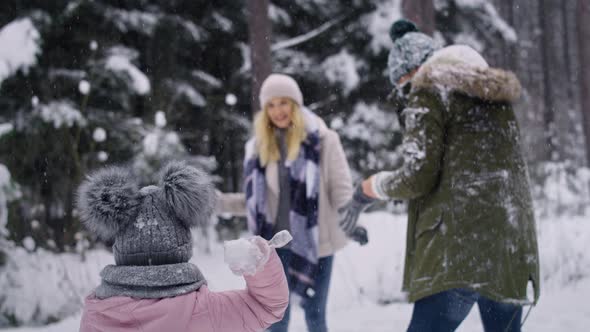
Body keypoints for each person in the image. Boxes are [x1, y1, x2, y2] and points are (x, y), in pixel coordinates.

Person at [338, 20, 540, 332]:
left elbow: (418, 176)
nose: (404, 94)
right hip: (510, 240)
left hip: (458, 245)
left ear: (412, 72)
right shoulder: (491, 96)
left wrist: (369, 187)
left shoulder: (428, 89)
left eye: (403, 84)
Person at [218, 73, 364, 332]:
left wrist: (352, 223)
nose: (277, 111)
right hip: (275, 247)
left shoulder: (323, 140)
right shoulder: (257, 149)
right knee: (275, 318)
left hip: (316, 244)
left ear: (295, 104)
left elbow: (341, 190)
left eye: (283, 102)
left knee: (316, 316)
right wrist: (216, 203)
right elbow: (251, 201)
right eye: (271, 105)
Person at [77, 161, 289, 332]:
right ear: (182, 245)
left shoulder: (97, 315)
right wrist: (259, 261)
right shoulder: (206, 312)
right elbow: (267, 306)